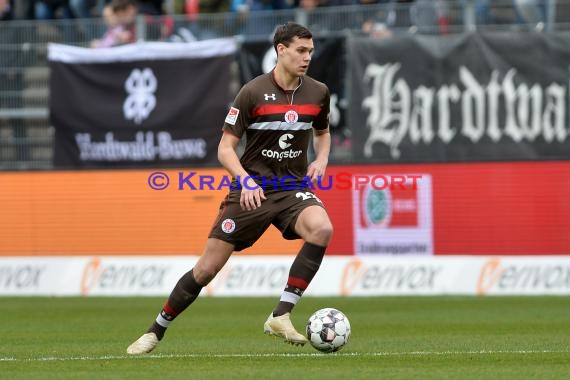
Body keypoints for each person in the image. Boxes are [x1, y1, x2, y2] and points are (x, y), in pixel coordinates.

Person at [126, 22, 333, 355]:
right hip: (252, 190)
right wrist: (245, 179)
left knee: (322, 228)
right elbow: (225, 148)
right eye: (300, 50)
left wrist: (321, 159)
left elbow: (323, 132)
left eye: (310, 51)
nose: (307, 57)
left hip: (292, 187)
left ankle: (281, 314)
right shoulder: (252, 92)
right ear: (281, 50)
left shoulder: (318, 92)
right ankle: (155, 330)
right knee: (207, 268)